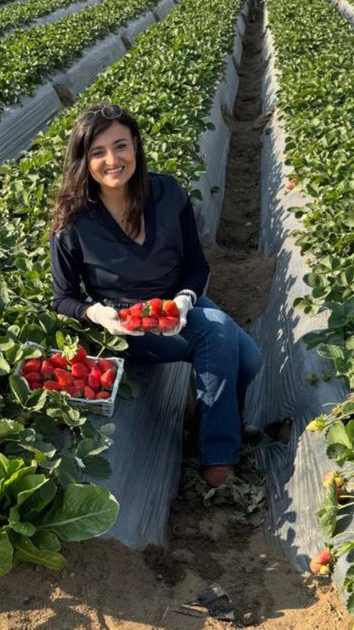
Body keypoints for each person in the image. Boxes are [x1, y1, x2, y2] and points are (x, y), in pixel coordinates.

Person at [48, 103, 263, 488]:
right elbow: (63, 297)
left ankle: (221, 415)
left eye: (120, 146)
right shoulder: (73, 224)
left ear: (136, 146)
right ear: (84, 160)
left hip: (175, 305)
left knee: (249, 357)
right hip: (126, 323)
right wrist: (97, 315)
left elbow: (197, 267)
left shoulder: (167, 194)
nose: (112, 160)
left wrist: (183, 301)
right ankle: (217, 454)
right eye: (97, 152)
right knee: (216, 332)